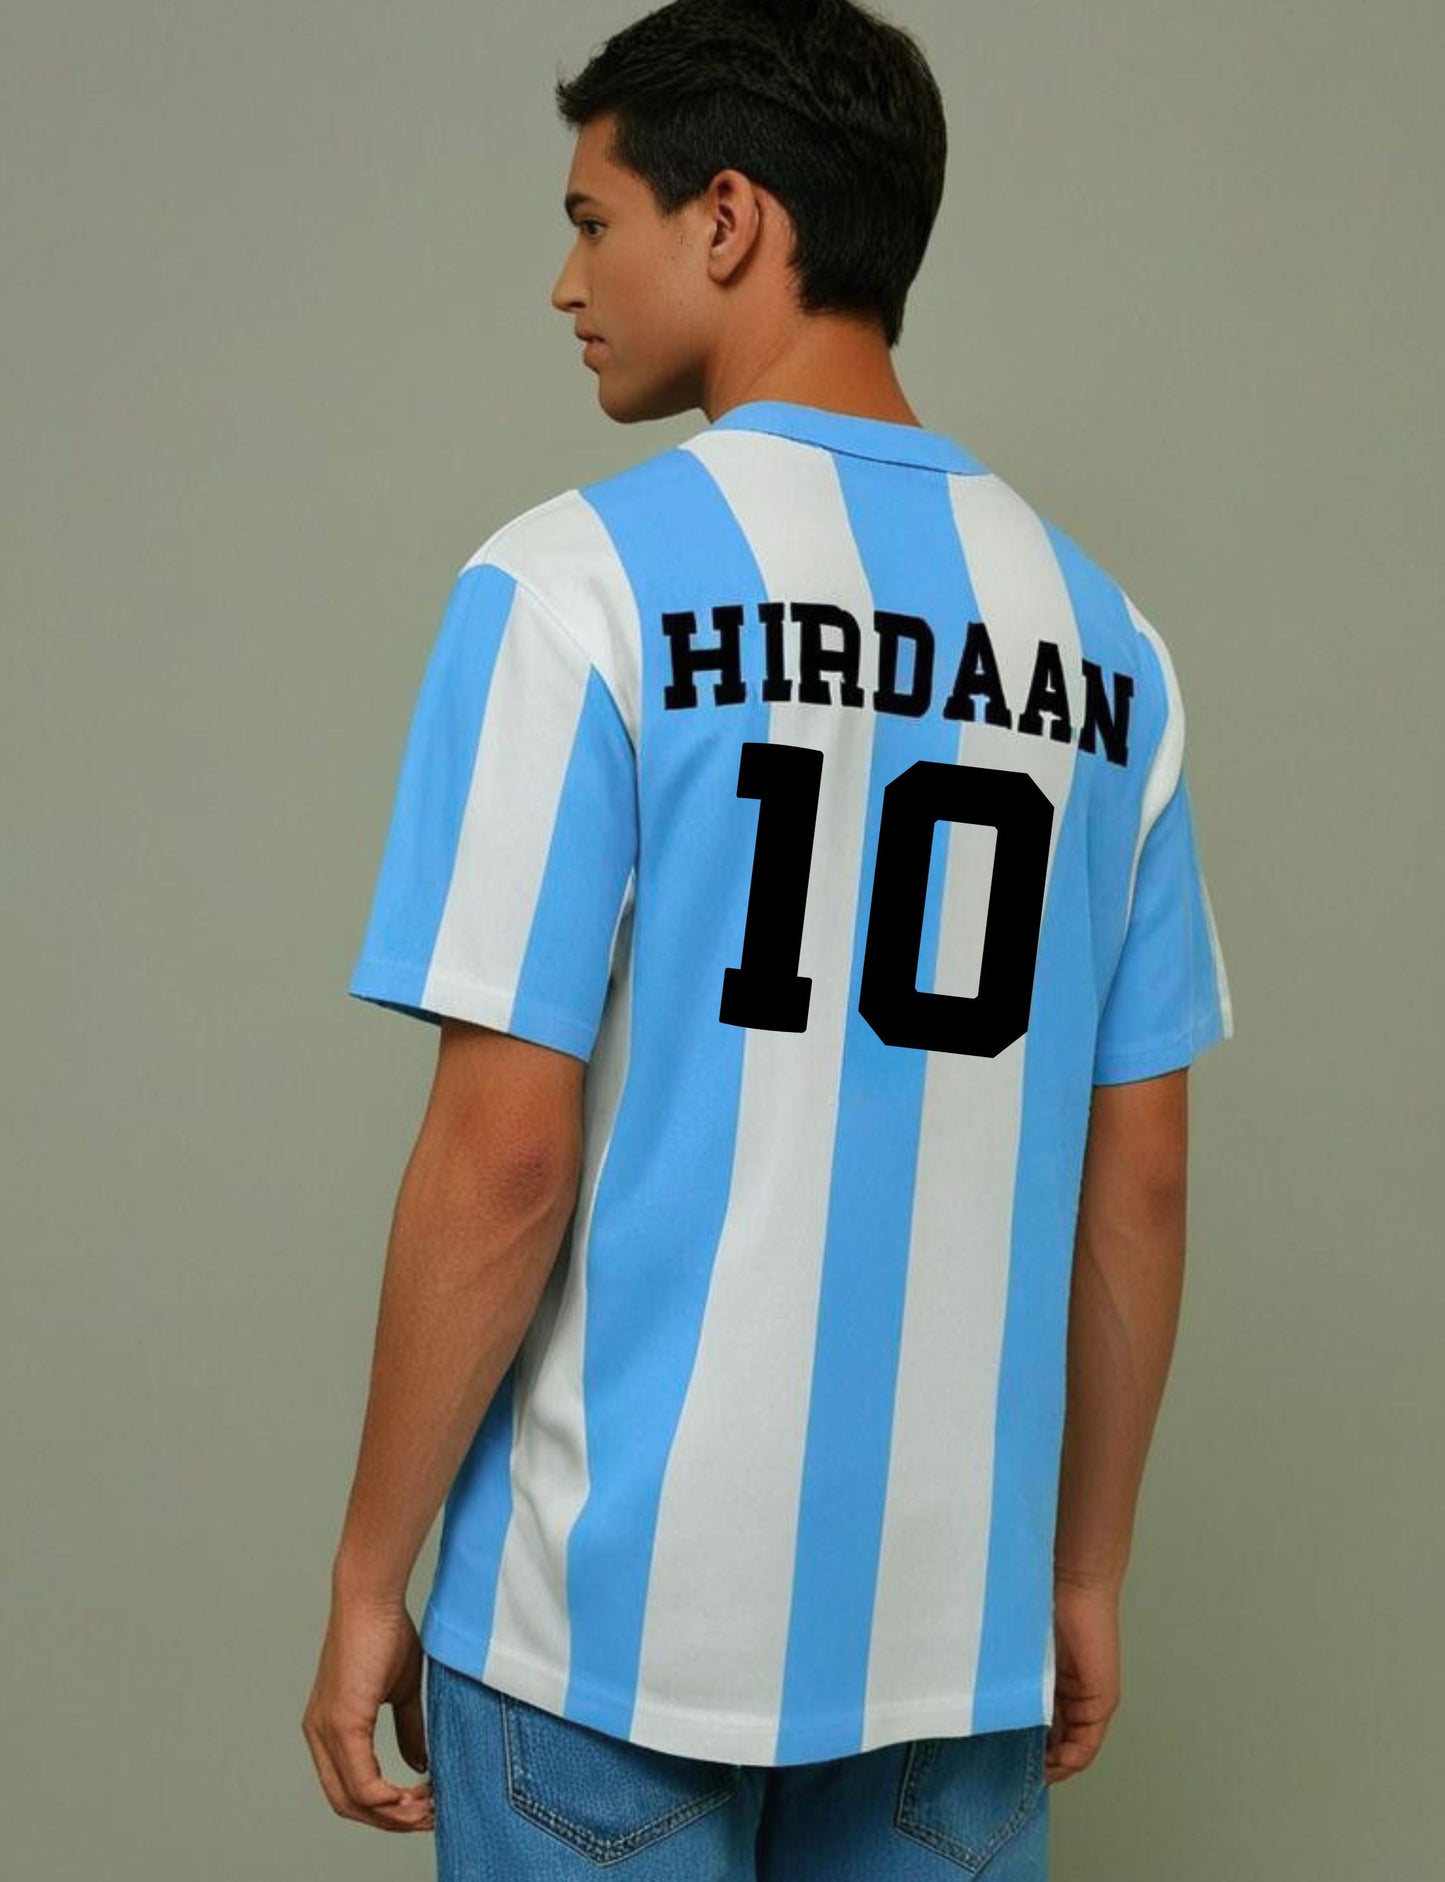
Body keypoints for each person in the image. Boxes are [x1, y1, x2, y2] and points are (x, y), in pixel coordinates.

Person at [301, 0, 1234, 1874]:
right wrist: (1081, 1571)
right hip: (954, 1633)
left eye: (593, 220)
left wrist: (365, 1572)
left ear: (727, 219)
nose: (566, 281)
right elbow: (1134, 1172)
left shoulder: (570, 587)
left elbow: (503, 1155)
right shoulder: (1106, 645)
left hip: (603, 1625)